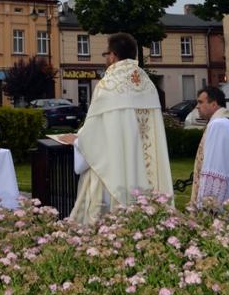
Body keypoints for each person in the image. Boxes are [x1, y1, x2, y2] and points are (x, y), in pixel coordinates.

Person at [59, 32, 173, 224]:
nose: (106, 58)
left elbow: (95, 131)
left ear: (113, 55)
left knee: (105, 222)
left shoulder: (108, 85)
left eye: (106, 54)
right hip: (145, 169)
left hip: (114, 168)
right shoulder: (147, 84)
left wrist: (78, 141)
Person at [191, 86, 229, 211]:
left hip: (225, 204)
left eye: (200, 102)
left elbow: (215, 167)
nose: (197, 106)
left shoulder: (219, 125)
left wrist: (208, 205)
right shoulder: (227, 123)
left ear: (214, 104)